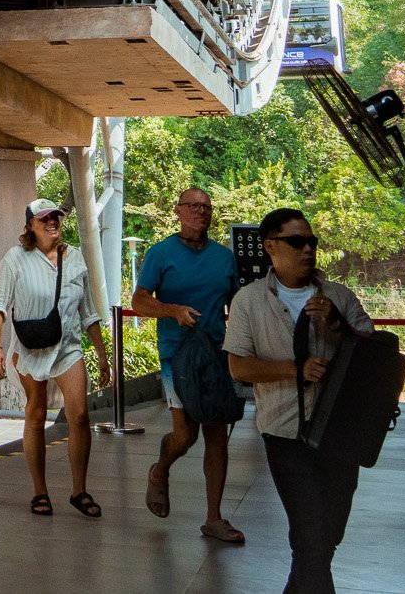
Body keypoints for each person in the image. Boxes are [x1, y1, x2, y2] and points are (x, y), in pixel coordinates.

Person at [224, 208, 374, 594]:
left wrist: (338, 325)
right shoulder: (249, 301)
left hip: (340, 433)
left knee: (328, 533)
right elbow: (239, 367)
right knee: (310, 532)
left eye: (312, 241)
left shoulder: (338, 296)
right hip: (284, 432)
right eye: (296, 241)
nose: (308, 249)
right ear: (270, 246)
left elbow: (374, 355)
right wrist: (296, 370)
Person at [134, 186, 245, 544]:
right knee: (185, 435)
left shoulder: (224, 258)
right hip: (176, 356)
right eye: (193, 206)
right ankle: (159, 470)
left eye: (207, 206)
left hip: (216, 354)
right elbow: (139, 301)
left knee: (216, 434)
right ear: (178, 210)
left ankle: (213, 517)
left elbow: (237, 304)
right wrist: (173, 311)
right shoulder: (160, 253)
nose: (201, 211)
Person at [0, 197, 110, 518]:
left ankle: (79, 490)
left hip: (68, 347)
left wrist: (102, 356)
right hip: (30, 347)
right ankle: (40, 491)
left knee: (80, 415)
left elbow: (89, 312)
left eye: (55, 216)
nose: (52, 222)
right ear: (30, 226)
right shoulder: (15, 259)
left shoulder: (76, 258)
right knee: (37, 413)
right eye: (44, 219)